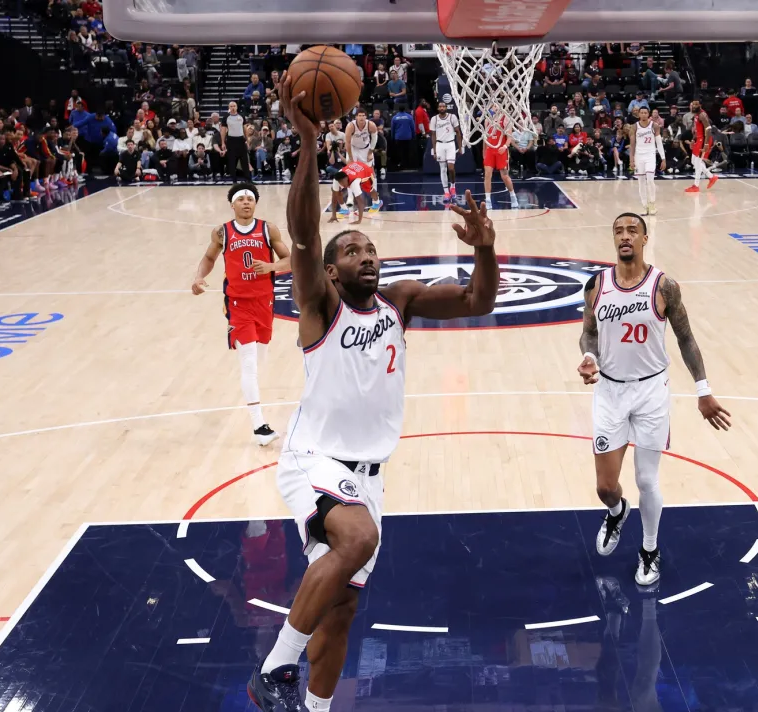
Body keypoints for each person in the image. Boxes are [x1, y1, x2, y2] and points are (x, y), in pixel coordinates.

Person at [247, 72, 500, 712]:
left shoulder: (400, 301)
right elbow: (303, 233)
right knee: (358, 541)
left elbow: (478, 298)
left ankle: (315, 707)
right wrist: (307, 145)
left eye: (370, 248)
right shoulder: (318, 303)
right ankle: (272, 670)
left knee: (342, 610)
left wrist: (488, 250)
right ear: (331, 270)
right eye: (352, 250)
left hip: (370, 474)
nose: (367, 256)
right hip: (315, 460)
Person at [577, 213, 731, 585]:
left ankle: (649, 550)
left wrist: (703, 390)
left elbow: (686, 338)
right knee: (604, 487)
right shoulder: (596, 285)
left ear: (645, 238)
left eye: (632, 231)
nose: (624, 237)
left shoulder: (665, 287)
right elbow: (588, 334)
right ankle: (616, 511)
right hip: (610, 390)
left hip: (650, 391)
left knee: (647, 479)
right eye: (618, 231)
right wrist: (589, 357)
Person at [191, 183, 291, 445]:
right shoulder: (222, 233)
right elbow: (209, 258)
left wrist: (269, 266)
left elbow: (290, 260)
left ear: (255, 203)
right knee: (248, 363)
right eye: (241, 199)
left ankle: (253, 403)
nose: (246, 202)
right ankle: (259, 425)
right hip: (237, 303)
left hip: (265, 301)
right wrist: (199, 276)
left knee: (259, 361)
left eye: (250, 199)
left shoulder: (268, 229)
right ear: (232, 204)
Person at [628, 106, 664, 215]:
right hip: (639, 156)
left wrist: (663, 158)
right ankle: (644, 206)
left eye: (645, 112)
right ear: (638, 114)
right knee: (641, 182)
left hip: (650, 155)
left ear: (648, 114)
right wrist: (631, 160)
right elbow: (632, 145)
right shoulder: (634, 127)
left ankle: (652, 204)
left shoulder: (655, 126)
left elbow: (659, 143)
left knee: (650, 180)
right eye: (641, 112)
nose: (643, 114)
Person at [483, 114, 519, 210]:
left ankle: (513, 196)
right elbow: (485, 137)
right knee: (487, 174)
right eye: (493, 105)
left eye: (496, 104)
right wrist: (484, 151)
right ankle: (487, 199)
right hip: (490, 149)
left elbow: (509, 136)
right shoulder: (487, 119)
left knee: (504, 176)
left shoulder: (505, 118)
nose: (494, 106)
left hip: (501, 149)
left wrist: (505, 147)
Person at [430, 101, 462, 202]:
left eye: (444, 106)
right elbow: (433, 135)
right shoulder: (434, 119)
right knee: (443, 169)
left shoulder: (452, 117)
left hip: (450, 144)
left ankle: (453, 187)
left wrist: (460, 147)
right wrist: (434, 150)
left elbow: (458, 132)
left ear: (446, 107)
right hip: (440, 144)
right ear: (438, 108)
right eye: (440, 106)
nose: (442, 108)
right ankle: (446, 192)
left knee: (451, 168)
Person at [686, 100, 718, 193]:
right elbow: (697, 130)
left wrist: (706, 144)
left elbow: (708, 129)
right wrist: (693, 140)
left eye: (696, 104)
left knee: (698, 162)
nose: (694, 106)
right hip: (699, 139)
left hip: (704, 140)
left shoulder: (702, 115)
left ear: (700, 105)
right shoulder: (696, 115)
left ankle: (696, 186)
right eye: (692, 104)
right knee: (693, 161)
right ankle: (711, 177)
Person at [222, 101, 252, 180]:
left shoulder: (241, 116)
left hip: (241, 140)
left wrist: (247, 140)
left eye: (234, 106)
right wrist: (222, 142)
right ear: (229, 107)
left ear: (237, 107)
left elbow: (245, 128)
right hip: (231, 140)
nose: (233, 107)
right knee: (232, 161)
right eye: (231, 106)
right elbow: (223, 130)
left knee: (244, 160)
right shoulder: (226, 117)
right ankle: (234, 180)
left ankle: (248, 179)